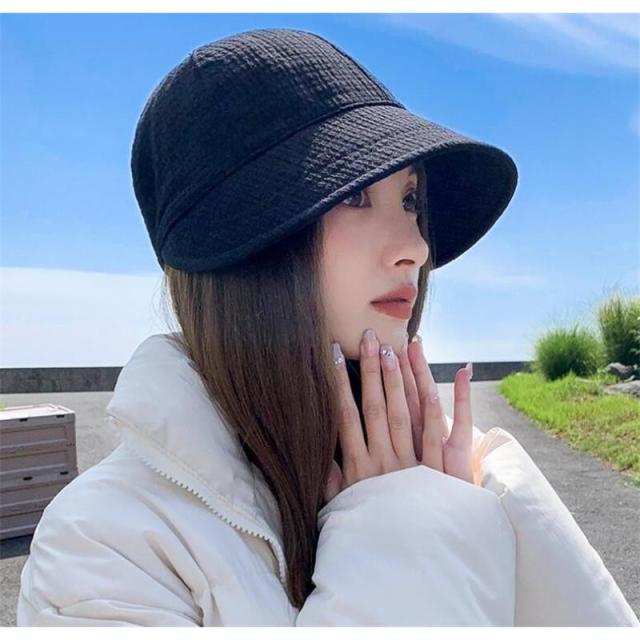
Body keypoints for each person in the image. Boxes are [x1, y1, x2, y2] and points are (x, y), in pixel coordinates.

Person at [16, 27, 639, 626]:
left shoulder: (458, 467)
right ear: (242, 245)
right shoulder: (103, 547)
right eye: (352, 195)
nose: (416, 249)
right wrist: (410, 538)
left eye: (411, 200)